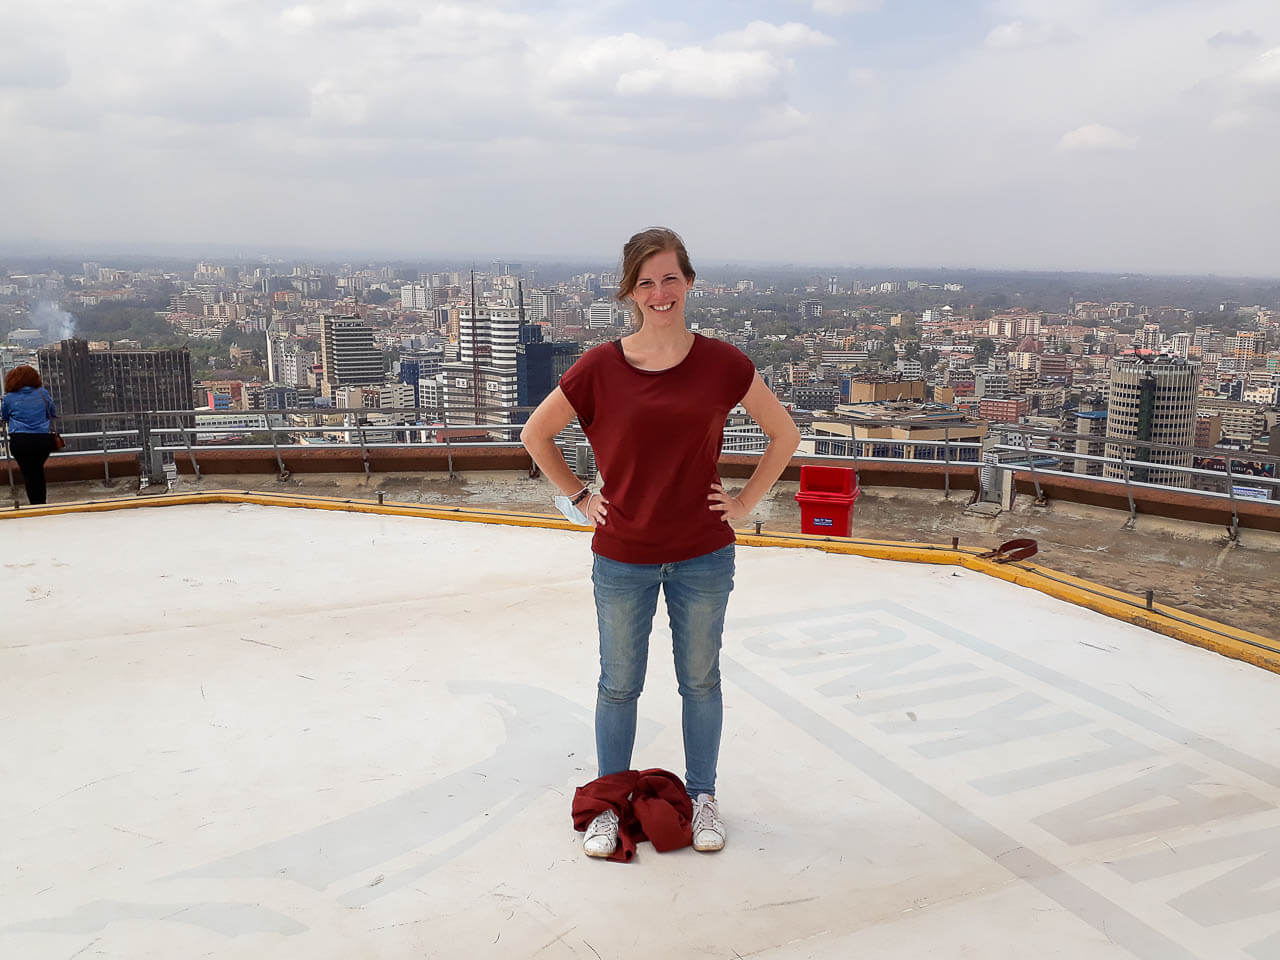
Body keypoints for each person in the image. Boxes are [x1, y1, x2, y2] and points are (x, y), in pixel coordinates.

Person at [520, 228, 801, 857]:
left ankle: (702, 797)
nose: (659, 292)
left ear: (690, 282)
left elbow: (783, 435)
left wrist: (746, 502)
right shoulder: (600, 366)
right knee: (619, 685)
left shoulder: (723, 363)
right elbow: (537, 434)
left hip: (703, 550)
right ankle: (609, 803)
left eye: (669, 277)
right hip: (622, 556)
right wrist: (579, 497)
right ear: (630, 292)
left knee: (700, 681)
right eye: (646, 281)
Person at [1, 365, 60, 506]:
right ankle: (40, 503)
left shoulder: (8, 398)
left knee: (28, 473)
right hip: (41, 439)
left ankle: (36, 504)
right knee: (37, 470)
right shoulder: (42, 393)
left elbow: (4, 416)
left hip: (20, 440)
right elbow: (52, 412)